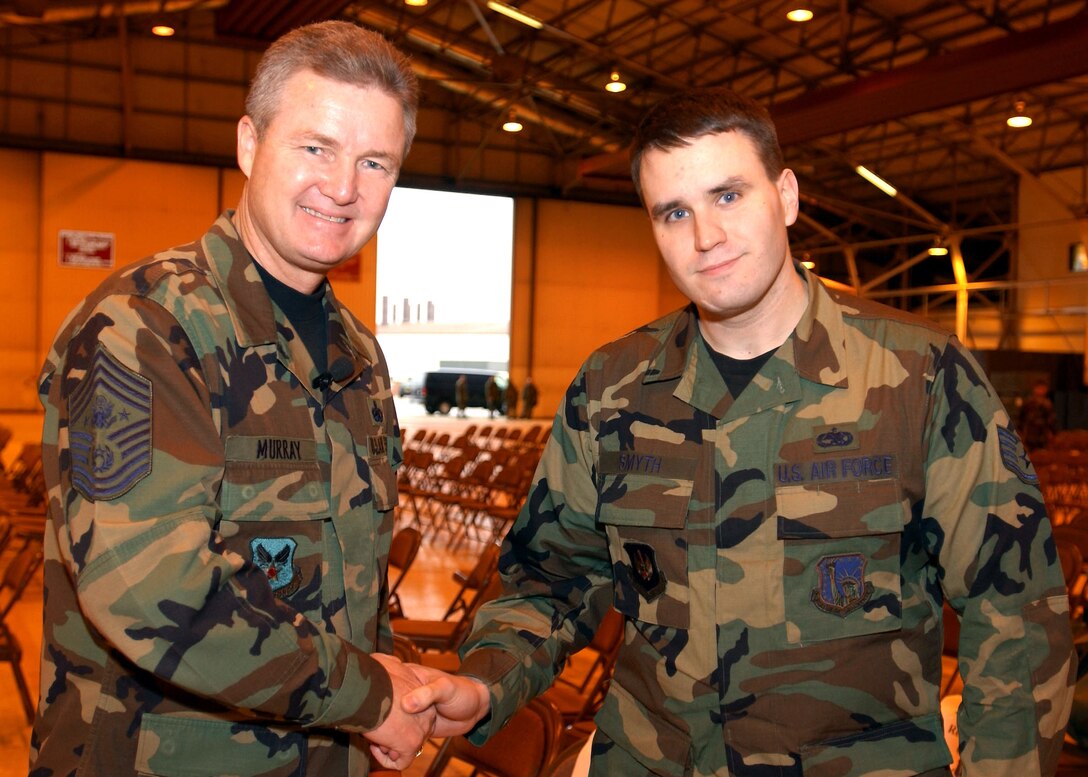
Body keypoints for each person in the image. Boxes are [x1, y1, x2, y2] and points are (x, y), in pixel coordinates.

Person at [404, 87, 1077, 775]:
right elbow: (549, 577)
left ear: (784, 195)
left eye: (728, 195)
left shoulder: (920, 376)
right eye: (674, 212)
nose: (705, 236)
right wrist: (486, 678)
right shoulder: (612, 389)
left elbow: (1016, 615)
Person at [30, 21, 441, 776]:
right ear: (250, 145)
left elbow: (345, 584)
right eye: (315, 147)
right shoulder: (146, 326)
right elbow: (148, 590)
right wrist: (370, 696)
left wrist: (396, 684)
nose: (344, 187)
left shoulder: (357, 357)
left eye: (375, 161)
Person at [1018, 378, 1058, 452]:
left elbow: (1051, 420)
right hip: (1029, 434)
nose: (1040, 391)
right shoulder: (1028, 403)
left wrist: (1051, 433)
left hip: (1042, 435)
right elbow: (1022, 418)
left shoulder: (1047, 404)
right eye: (1038, 388)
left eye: (1042, 388)